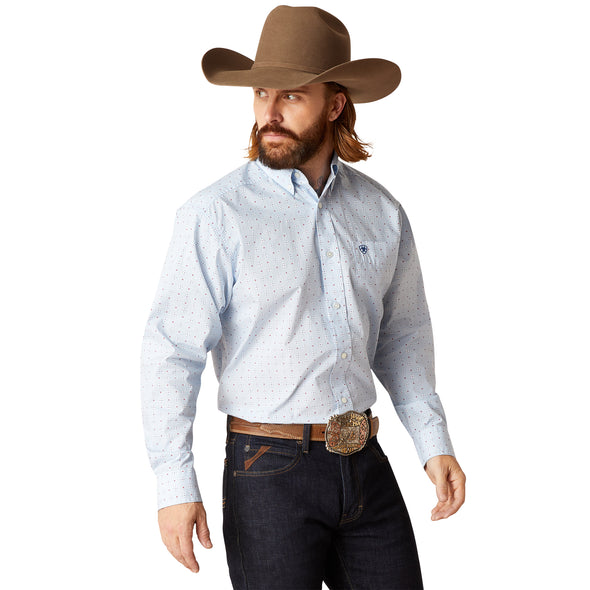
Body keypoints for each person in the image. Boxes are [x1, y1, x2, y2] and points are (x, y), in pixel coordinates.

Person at [141, 5, 466, 589]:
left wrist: (432, 440)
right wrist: (174, 483)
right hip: (267, 470)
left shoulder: (381, 211)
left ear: (335, 105)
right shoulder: (215, 215)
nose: (269, 113)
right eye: (261, 93)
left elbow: (403, 336)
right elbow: (172, 351)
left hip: (366, 463)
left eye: (291, 96)